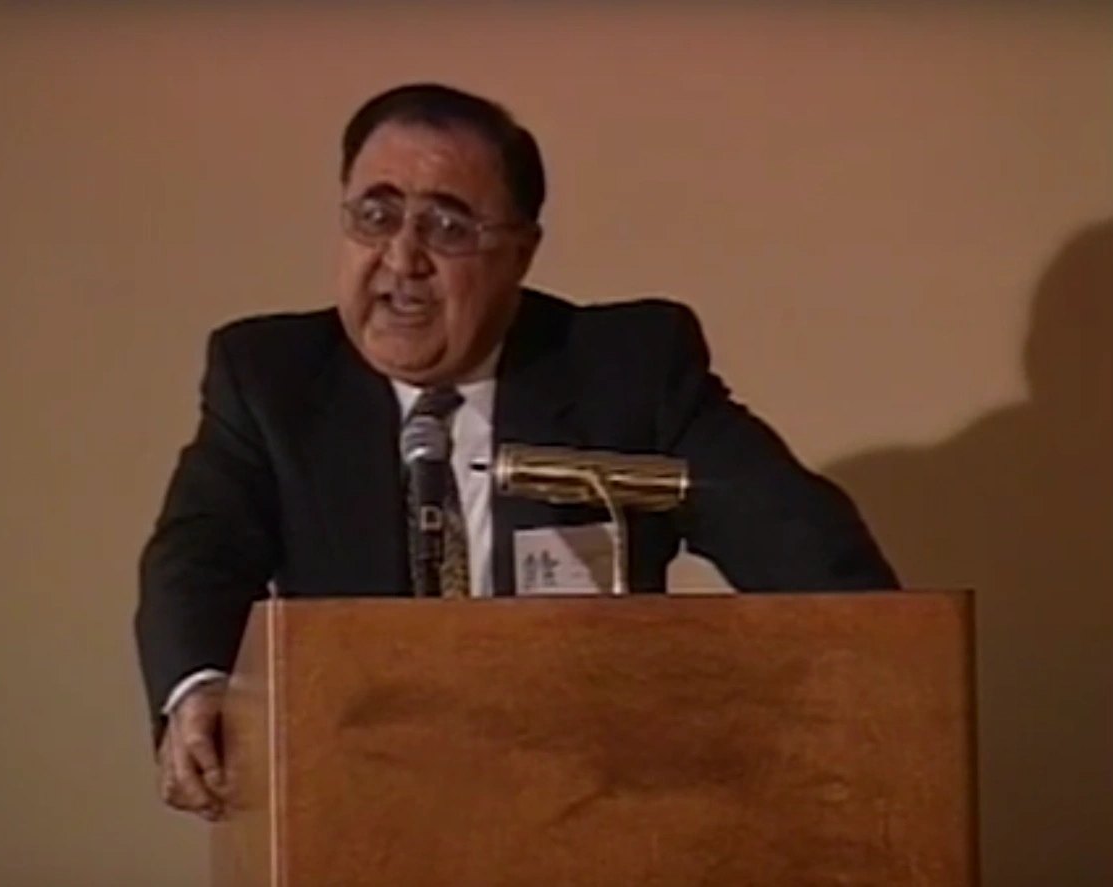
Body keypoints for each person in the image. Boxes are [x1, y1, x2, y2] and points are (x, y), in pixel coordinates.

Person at [134, 82, 899, 821]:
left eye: (448, 227)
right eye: (375, 215)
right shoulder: (272, 378)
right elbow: (199, 552)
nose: (402, 260)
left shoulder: (626, 369)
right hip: (358, 804)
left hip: (595, 804)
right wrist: (198, 688)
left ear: (520, 252)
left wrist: (872, 688)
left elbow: (799, 541)